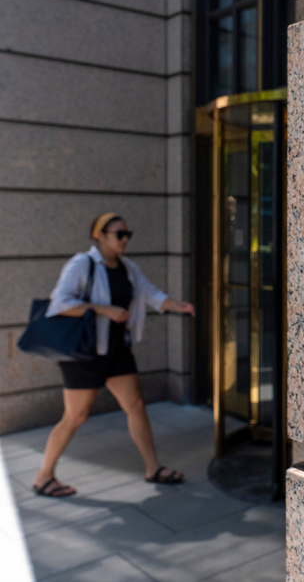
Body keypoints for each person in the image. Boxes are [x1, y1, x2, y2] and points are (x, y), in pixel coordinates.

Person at [32, 213, 196, 498]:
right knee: (76, 416)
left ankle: (153, 467)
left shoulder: (128, 268)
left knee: (136, 405)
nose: (124, 240)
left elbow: (150, 293)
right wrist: (101, 309)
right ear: (100, 235)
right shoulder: (82, 264)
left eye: (127, 235)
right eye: (119, 234)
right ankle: (44, 476)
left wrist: (176, 305)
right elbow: (59, 303)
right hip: (85, 353)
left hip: (118, 350)